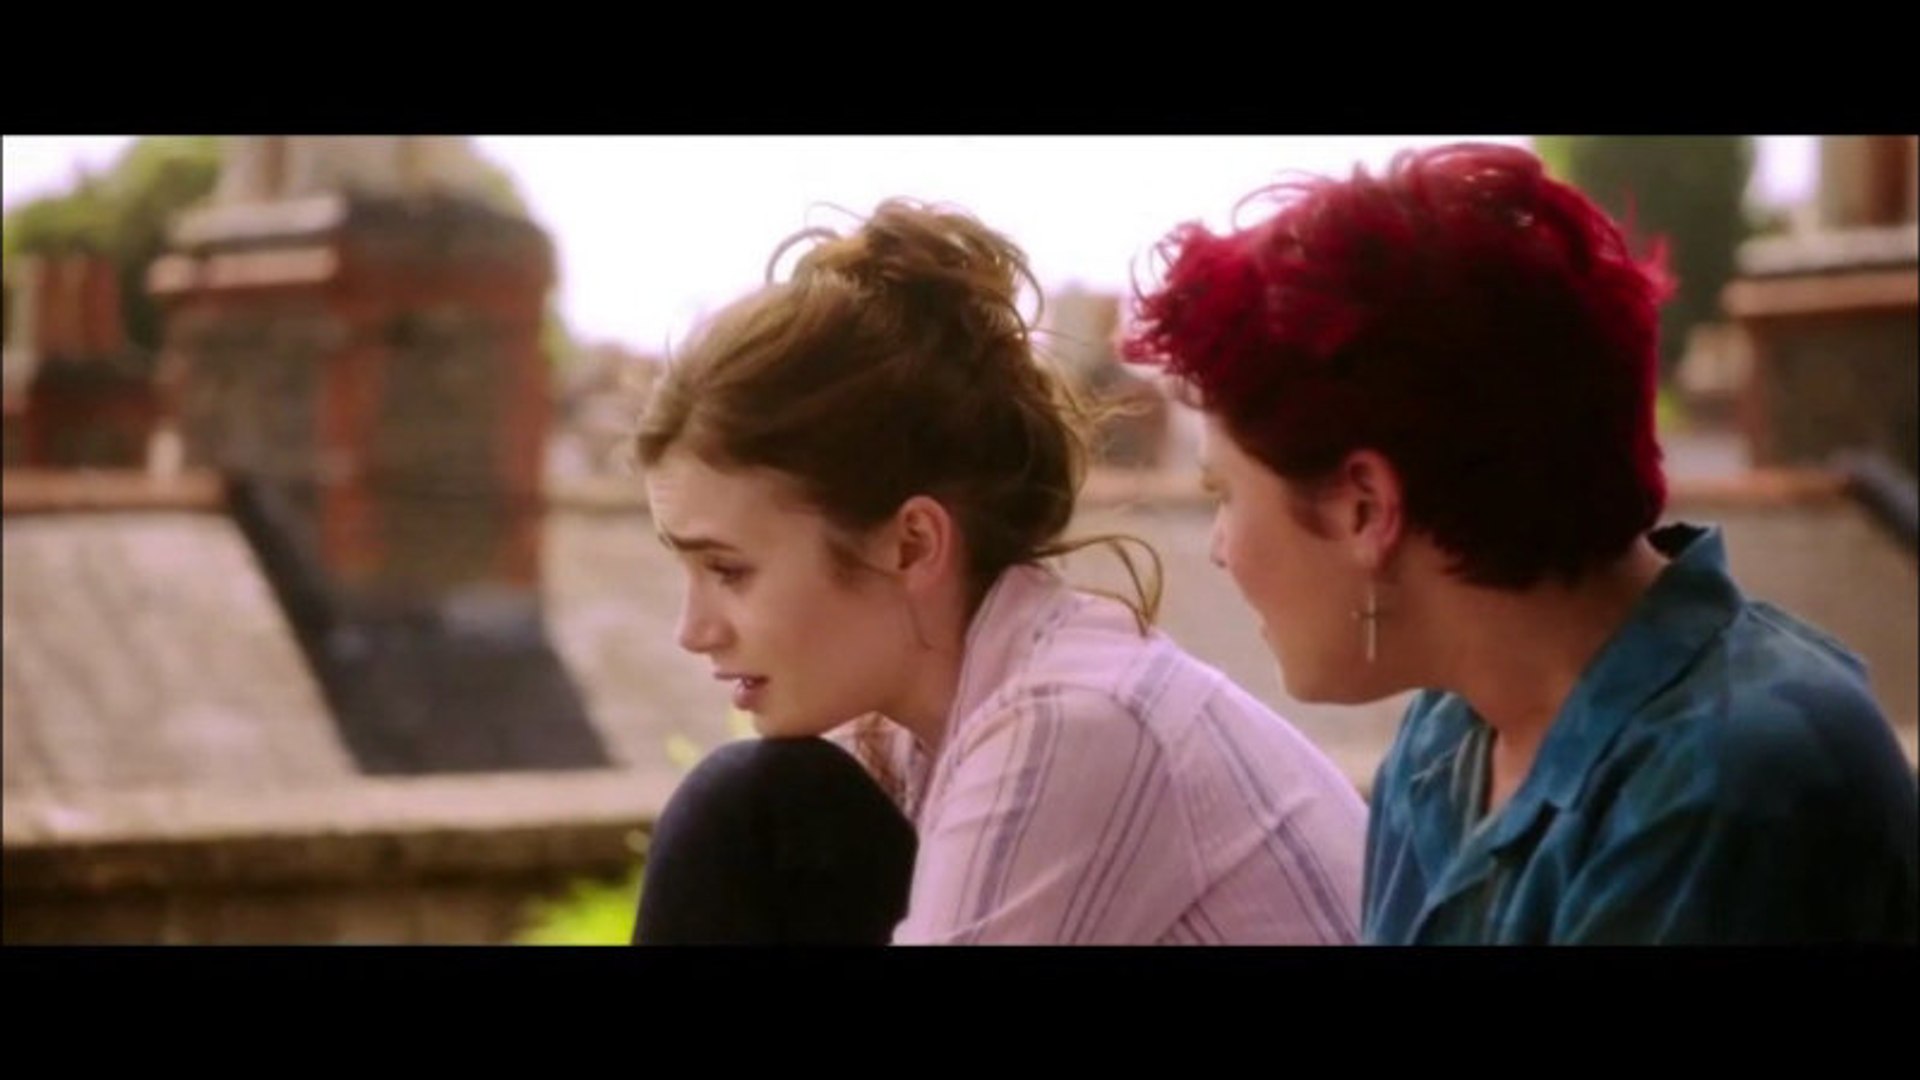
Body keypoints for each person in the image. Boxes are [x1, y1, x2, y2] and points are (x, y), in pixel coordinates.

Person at [1121, 141, 1919, 944]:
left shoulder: (1728, 788)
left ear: (1366, 508)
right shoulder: (1447, 741)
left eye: (1225, 493)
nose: (1221, 547)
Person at [631, 199, 1366, 944]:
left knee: (742, 806)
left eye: (729, 570)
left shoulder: (1074, 719)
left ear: (912, 545)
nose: (694, 631)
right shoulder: (909, 734)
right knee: (764, 805)